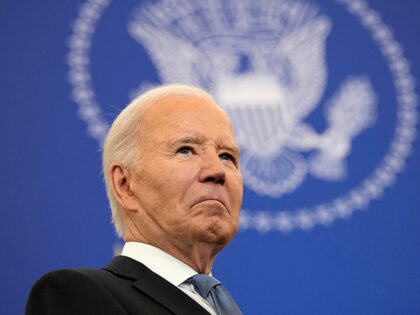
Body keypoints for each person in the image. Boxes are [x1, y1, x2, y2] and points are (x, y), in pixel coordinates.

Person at [25, 84, 244, 315]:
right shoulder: (78, 296)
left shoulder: (220, 306)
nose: (217, 170)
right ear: (125, 185)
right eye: (185, 150)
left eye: (226, 156)